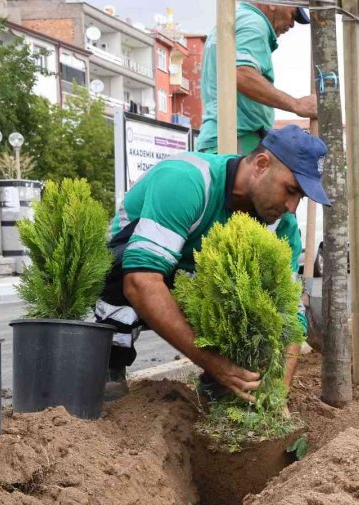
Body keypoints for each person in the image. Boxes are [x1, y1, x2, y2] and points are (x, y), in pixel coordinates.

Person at [96, 125, 330, 401]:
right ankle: (111, 359)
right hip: (136, 274)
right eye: (290, 190)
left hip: (194, 279)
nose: (292, 206)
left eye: (300, 197)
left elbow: (291, 313)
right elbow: (140, 280)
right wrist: (213, 362)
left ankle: (221, 386)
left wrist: (279, 393)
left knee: (258, 298)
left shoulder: (282, 226)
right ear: (261, 164)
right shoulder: (188, 181)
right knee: (127, 262)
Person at [195, 1, 317, 155]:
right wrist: (296, 104)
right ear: (273, 3)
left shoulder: (234, 20)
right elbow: (241, 73)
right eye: (293, 15)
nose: (292, 24)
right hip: (238, 139)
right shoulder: (254, 24)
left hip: (221, 139)